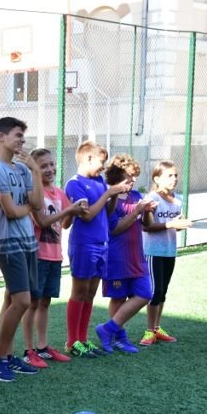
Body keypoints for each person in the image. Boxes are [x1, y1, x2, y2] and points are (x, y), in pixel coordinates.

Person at [0, 117, 44, 382]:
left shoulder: (22, 169)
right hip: (7, 242)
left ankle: (7, 356)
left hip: (27, 241)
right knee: (22, 301)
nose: (22, 140)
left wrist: (36, 172)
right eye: (18, 135)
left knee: (12, 299)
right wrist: (27, 208)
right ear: (1, 137)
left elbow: (37, 203)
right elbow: (10, 211)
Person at [63, 142, 131, 358]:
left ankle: (83, 339)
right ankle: (72, 341)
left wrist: (114, 195)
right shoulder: (74, 184)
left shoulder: (99, 181)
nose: (103, 166)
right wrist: (108, 192)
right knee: (79, 291)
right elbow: (88, 215)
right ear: (88, 158)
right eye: (102, 161)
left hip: (102, 243)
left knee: (90, 293)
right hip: (84, 244)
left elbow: (106, 212)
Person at [21, 148, 85, 368]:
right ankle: (28, 350)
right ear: (34, 170)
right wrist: (68, 211)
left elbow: (64, 224)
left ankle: (42, 346)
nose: (49, 169)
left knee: (45, 302)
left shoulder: (59, 192)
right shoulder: (34, 192)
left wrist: (75, 211)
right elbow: (42, 222)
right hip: (38, 255)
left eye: (51, 164)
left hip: (54, 255)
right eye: (43, 166)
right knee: (33, 303)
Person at [94, 154, 157, 353]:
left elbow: (147, 225)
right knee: (119, 298)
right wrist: (137, 211)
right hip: (116, 258)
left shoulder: (136, 195)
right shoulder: (109, 199)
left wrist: (147, 211)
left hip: (136, 256)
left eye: (135, 176)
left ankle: (107, 329)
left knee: (145, 294)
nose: (133, 180)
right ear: (118, 175)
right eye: (130, 176)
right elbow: (114, 229)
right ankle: (119, 338)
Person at [140, 160, 192, 345]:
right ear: (157, 178)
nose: (174, 179)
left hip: (169, 252)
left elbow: (173, 226)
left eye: (175, 175)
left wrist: (180, 224)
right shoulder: (152, 198)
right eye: (169, 175)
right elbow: (146, 227)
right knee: (155, 292)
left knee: (163, 292)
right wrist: (171, 224)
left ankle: (156, 328)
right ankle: (149, 331)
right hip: (153, 252)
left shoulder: (178, 200)